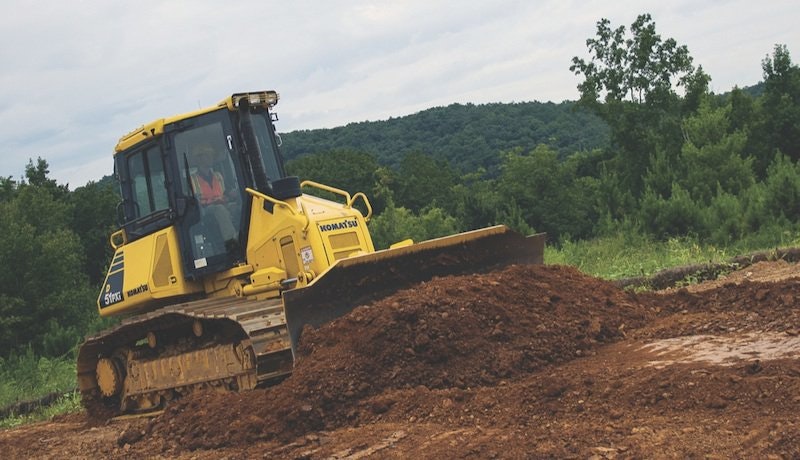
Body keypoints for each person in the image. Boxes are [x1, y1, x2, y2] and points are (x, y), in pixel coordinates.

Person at [190, 143, 238, 246]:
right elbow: (194, 201)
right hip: (205, 210)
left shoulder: (218, 176)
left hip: (222, 204)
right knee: (220, 209)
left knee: (237, 206)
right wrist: (213, 201)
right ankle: (232, 241)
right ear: (199, 159)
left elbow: (226, 191)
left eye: (211, 155)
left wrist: (235, 193)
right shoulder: (193, 179)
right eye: (207, 155)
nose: (210, 158)